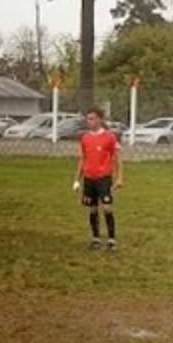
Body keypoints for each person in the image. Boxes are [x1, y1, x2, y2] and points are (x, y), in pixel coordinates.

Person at [72, 108, 123, 251]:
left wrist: (119, 178)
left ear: (100, 120)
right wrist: (77, 180)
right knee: (93, 209)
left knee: (107, 208)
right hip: (89, 178)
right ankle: (96, 239)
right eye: (88, 119)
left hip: (104, 178)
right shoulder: (85, 138)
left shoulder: (109, 137)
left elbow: (117, 158)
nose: (89, 121)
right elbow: (83, 159)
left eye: (92, 118)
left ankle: (111, 240)